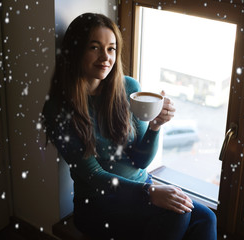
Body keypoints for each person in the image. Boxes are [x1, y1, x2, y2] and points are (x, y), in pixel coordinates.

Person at [42, 12, 216, 240]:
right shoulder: (59, 109)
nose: (106, 57)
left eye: (111, 48)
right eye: (95, 47)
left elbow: (140, 161)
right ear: (75, 51)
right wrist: (149, 192)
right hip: (97, 202)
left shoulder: (129, 88)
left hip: (140, 186)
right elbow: (93, 175)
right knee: (176, 216)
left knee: (206, 218)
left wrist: (155, 127)